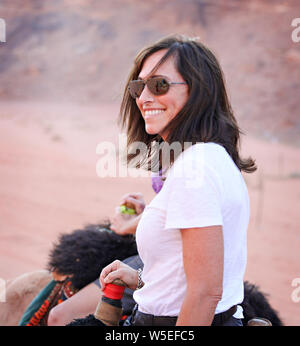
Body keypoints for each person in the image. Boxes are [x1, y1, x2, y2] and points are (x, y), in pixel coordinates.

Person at [99, 34, 257, 326]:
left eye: (159, 85)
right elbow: (189, 275)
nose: (144, 98)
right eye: (138, 86)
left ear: (198, 91)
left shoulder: (195, 168)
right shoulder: (207, 158)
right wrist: (142, 280)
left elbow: (205, 293)